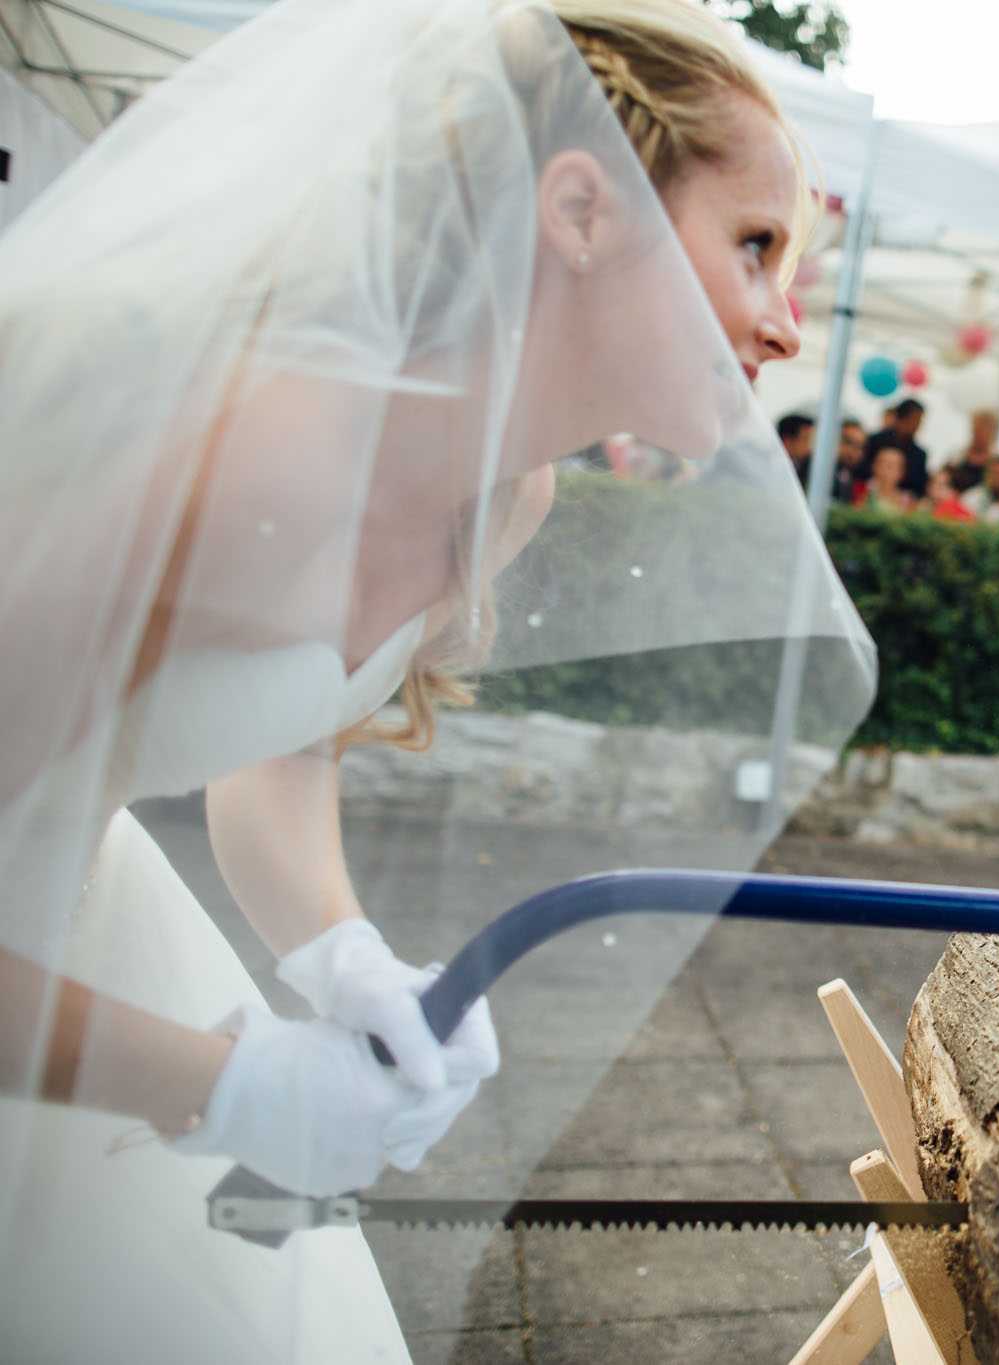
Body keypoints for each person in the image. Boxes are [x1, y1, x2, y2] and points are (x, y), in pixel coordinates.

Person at [0, 0, 873, 1359]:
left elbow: (280, 748)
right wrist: (218, 1083)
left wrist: (342, 954)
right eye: (754, 247)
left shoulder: (505, 496)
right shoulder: (243, 446)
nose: (780, 324)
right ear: (579, 211)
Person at [862, 397, 930, 497]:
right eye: (915, 420)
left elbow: (918, 487)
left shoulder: (919, 454)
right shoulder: (875, 441)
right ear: (901, 418)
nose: (918, 426)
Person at [947, 408, 999, 494]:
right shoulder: (957, 458)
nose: (978, 434)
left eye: (983, 430)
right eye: (976, 429)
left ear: (993, 432)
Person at [856, 444, 915, 512]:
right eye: (882, 463)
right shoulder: (860, 490)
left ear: (901, 472)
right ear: (874, 466)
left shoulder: (908, 501)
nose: (886, 470)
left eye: (891, 466)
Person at [776, 410, 815, 483]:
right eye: (806, 439)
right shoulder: (770, 468)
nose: (810, 446)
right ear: (788, 442)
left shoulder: (809, 468)